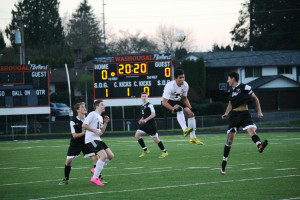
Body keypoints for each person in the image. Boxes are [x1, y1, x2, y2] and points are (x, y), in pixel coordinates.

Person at [220, 71, 268, 175]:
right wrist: (226, 113)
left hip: (245, 114)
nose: (227, 81)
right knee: (230, 141)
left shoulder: (245, 87)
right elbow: (230, 104)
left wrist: (259, 111)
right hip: (234, 116)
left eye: (228, 79)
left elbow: (256, 99)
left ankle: (260, 146)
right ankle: (224, 163)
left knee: (251, 130)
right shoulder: (230, 91)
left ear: (233, 78)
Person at [58, 102, 98, 186]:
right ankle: (66, 179)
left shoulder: (89, 120)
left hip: (87, 142)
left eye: (85, 107)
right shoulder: (73, 121)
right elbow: (74, 135)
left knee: (96, 158)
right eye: (82, 107)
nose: (85, 108)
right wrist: (84, 133)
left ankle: (98, 177)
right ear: (77, 110)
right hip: (75, 143)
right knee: (68, 161)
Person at [162, 68, 203, 145]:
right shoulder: (169, 86)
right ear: (175, 79)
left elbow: (184, 98)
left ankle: (193, 138)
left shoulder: (185, 85)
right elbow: (164, 102)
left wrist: (191, 108)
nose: (182, 79)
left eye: (183, 77)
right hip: (167, 103)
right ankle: (185, 129)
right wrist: (173, 109)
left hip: (177, 101)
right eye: (180, 78)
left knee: (191, 114)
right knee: (179, 108)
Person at [82, 100, 114, 186]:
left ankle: (95, 169)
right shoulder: (92, 114)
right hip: (91, 139)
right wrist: (95, 131)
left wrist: (106, 123)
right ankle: (95, 178)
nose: (104, 106)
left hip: (98, 139)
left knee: (110, 156)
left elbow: (101, 132)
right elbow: (84, 125)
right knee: (103, 156)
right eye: (102, 105)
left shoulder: (100, 117)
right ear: (97, 106)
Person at [135, 92, 168, 158]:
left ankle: (164, 152)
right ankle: (145, 150)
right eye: (143, 96)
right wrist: (141, 119)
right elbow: (144, 115)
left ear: (147, 97)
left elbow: (153, 114)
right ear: (141, 97)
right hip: (145, 125)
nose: (144, 97)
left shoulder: (150, 105)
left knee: (155, 139)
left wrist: (146, 119)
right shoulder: (142, 106)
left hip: (151, 125)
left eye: (145, 96)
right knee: (137, 135)